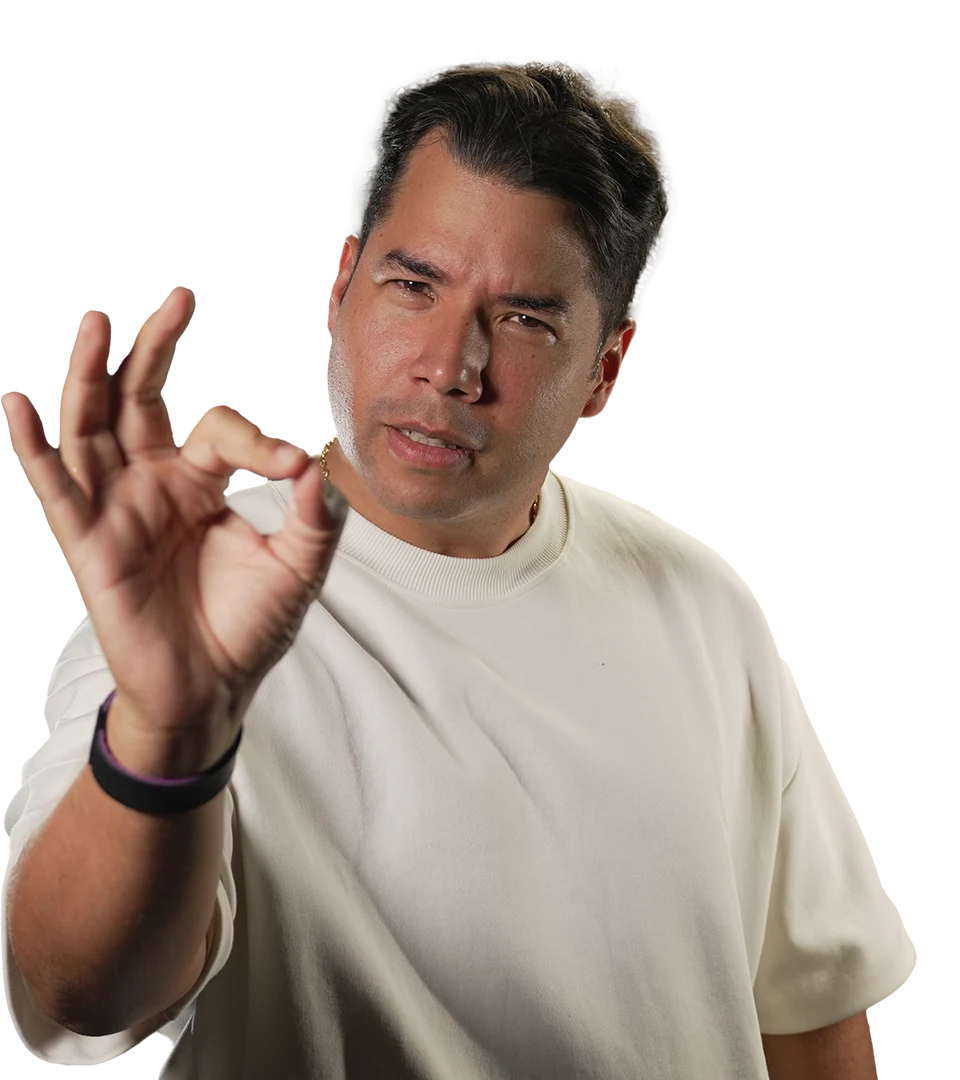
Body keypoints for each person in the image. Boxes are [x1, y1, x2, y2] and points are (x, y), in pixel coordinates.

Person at [0, 57, 915, 1079]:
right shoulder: (197, 604)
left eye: (524, 319)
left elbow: (805, 1011)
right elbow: (77, 993)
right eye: (413, 286)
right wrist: (167, 736)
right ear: (341, 288)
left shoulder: (703, 604)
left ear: (604, 369)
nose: (450, 366)